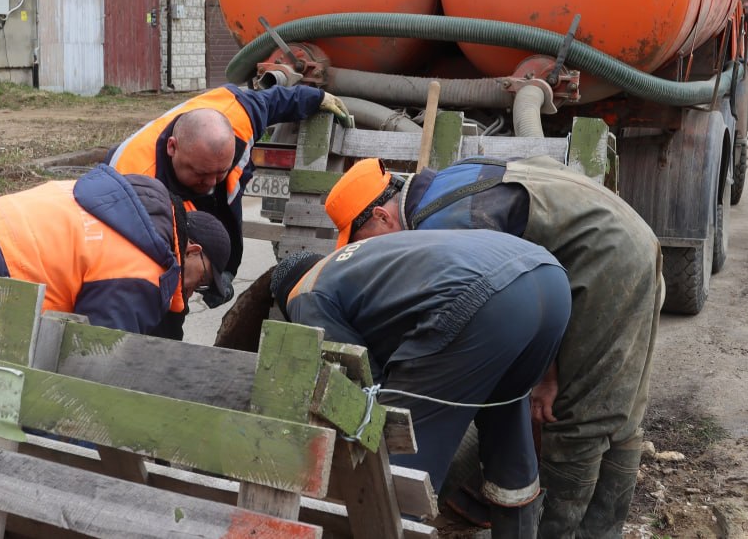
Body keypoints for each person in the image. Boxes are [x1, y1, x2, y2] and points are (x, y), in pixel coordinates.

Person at [325, 156, 662, 539]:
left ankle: (559, 533)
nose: (366, 253)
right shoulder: (445, 183)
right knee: (623, 409)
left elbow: (506, 291)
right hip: (629, 236)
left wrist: (546, 376)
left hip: (602, 260)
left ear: (382, 219)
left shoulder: (443, 226)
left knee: (578, 418)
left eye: (360, 242)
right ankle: (602, 532)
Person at [270, 232, 570, 539]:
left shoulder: (303, 294)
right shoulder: (354, 263)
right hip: (549, 281)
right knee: (507, 427)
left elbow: (361, 387)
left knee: (391, 462)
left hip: (484, 301)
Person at [0, 164, 231, 335]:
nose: (191, 291)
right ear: (192, 250)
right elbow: (92, 359)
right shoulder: (140, 269)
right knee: (51, 411)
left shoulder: (121, 204)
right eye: (201, 281)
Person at [107, 83, 350, 311]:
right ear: (172, 148)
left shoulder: (238, 114)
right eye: (202, 173)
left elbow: (271, 102)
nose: (213, 183)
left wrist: (314, 97)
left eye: (220, 172)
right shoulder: (132, 181)